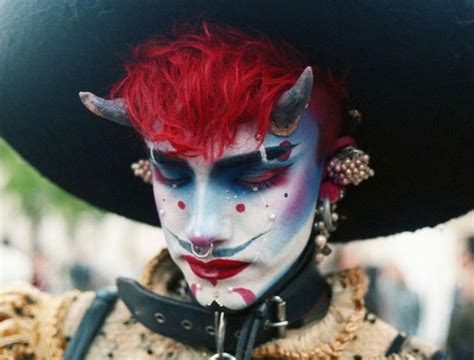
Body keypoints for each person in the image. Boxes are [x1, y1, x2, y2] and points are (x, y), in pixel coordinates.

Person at [0, 2, 472, 359]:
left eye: (255, 177)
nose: (202, 231)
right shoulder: (53, 339)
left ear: (332, 174)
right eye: (174, 173)